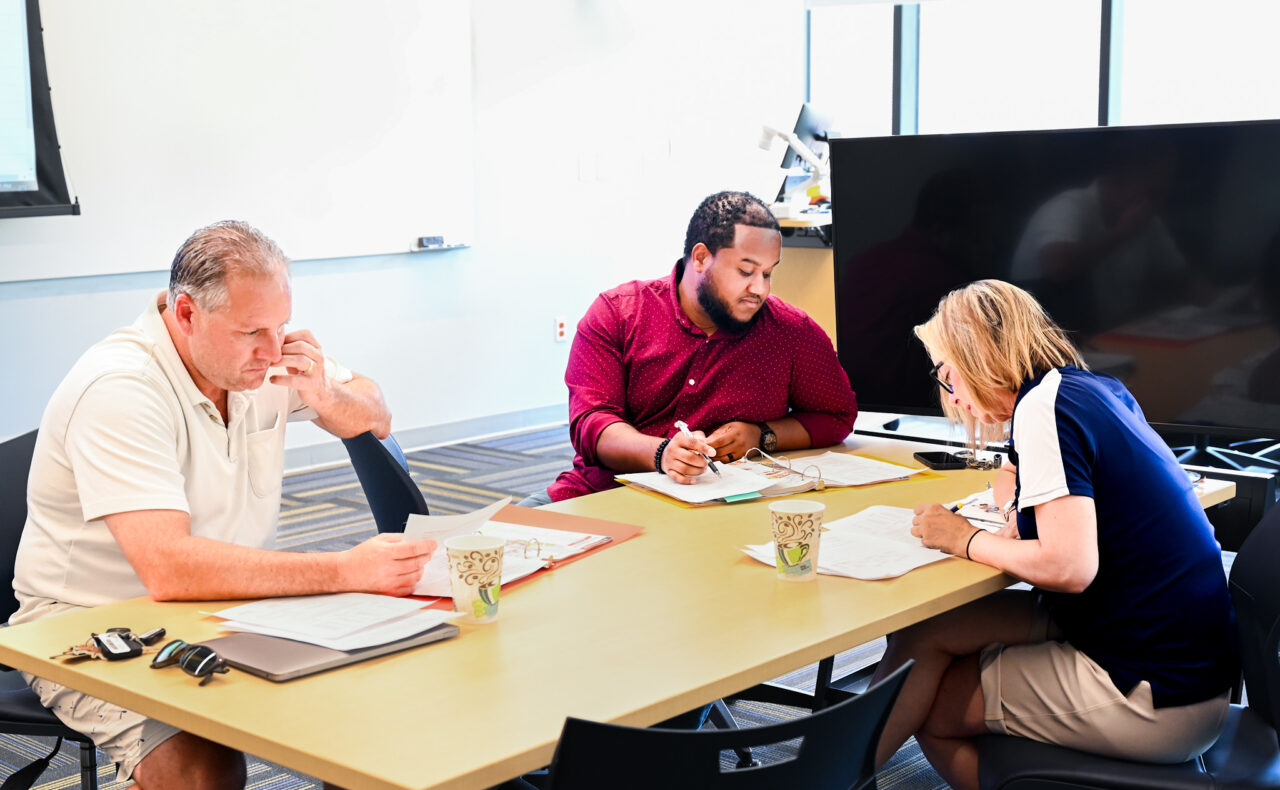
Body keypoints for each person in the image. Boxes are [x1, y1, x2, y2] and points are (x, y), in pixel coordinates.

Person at [12, 220, 435, 790]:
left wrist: (325, 394)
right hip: (94, 621)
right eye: (252, 331)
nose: (272, 350)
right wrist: (344, 571)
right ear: (187, 314)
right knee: (202, 772)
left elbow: (376, 413)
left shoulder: (261, 360)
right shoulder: (119, 388)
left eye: (280, 326)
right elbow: (168, 568)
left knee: (370, 707)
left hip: (226, 603)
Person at [870, 280, 1238, 790]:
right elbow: (1022, 481)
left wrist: (963, 539)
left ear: (976, 357)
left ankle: (837, 774)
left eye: (947, 374)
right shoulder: (1086, 389)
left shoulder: (1044, 409)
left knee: (932, 701)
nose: (951, 395)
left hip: (1157, 692)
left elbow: (1070, 567)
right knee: (925, 634)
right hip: (1184, 659)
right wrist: (1016, 508)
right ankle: (841, 775)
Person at [530, 190, 858, 505]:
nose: (759, 289)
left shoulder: (791, 332)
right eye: (746, 271)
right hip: (604, 495)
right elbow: (592, 423)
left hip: (723, 510)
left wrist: (763, 436)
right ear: (701, 258)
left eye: (768, 273)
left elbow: (837, 416)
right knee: (505, 536)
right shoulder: (619, 313)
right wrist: (661, 454)